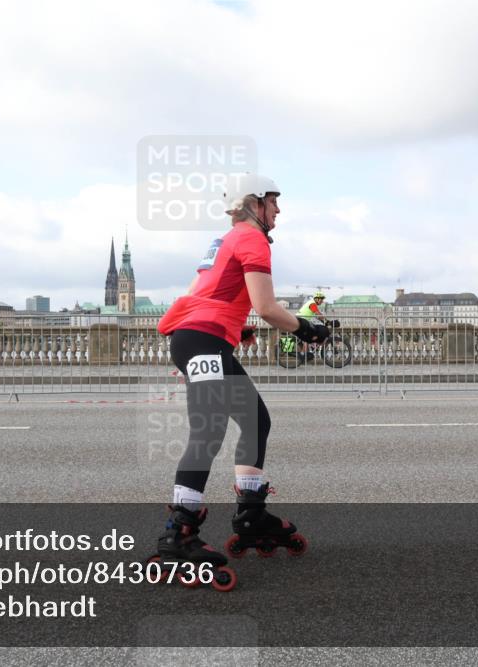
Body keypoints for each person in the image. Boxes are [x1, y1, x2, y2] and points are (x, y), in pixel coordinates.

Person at [154, 173, 330, 570]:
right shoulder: (252, 239)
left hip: (203, 337)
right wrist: (307, 329)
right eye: (273, 201)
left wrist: (238, 326)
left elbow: (209, 290)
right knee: (209, 430)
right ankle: (178, 532)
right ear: (254, 204)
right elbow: (267, 306)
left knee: (254, 420)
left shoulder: (226, 239)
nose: (278, 209)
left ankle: (251, 513)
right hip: (202, 340)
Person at [295, 291, 340, 362]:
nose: (322, 301)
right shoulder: (312, 304)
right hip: (301, 321)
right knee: (311, 334)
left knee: (312, 331)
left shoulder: (311, 303)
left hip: (301, 321)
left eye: (322, 299)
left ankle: (305, 353)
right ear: (317, 299)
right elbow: (318, 314)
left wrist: (325, 322)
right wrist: (328, 322)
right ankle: (303, 354)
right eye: (321, 299)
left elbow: (317, 316)